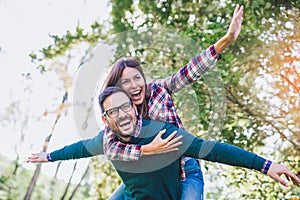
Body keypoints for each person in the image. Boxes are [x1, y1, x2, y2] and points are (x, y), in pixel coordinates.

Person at [28, 87, 300, 200]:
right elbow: (78, 149)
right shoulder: (106, 140)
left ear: (135, 109)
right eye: (113, 111)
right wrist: (48, 157)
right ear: (105, 118)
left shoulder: (164, 134)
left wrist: (265, 165)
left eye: (125, 107)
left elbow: (213, 150)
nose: (122, 114)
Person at [103, 4, 244, 200]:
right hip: (152, 176)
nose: (135, 86)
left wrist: (227, 39)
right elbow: (110, 148)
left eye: (137, 78)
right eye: (126, 82)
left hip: (185, 170)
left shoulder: (160, 90)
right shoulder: (120, 113)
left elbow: (191, 71)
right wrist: (146, 150)